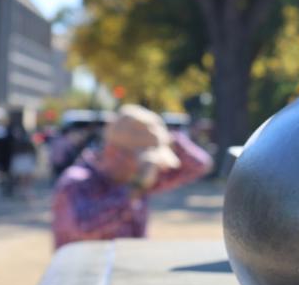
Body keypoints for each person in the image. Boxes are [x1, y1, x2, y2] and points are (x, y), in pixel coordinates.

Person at [51, 104, 212, 249]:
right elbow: (85, 229)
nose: (149, 166)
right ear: (114, 152)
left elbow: (200, 165)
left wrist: (167, 138)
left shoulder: (136, 176)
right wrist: (134, 190)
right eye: (143, 159)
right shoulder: (75, 182)